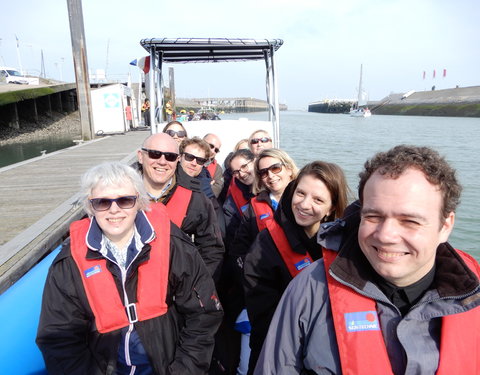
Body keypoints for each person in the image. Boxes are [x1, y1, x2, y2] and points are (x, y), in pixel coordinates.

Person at [255, 145, 480, 374]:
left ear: (445, 226)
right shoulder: (308, 291)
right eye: (373, 216)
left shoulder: (474, 298)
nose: (385, 235)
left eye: (410, 221)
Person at [36, 161, 223, 374]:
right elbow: (59, 337)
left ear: (139, 202)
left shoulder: (174, 246)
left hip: (166, 364)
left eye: (125, 200)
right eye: (102, 202)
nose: (114, 210)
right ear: (90, 206)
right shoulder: (69, 263)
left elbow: (203, 315)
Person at [244, 161, 349, 374]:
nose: (304, 204)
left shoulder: (345, 246)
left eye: (318, 199)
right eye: (300, 193)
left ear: (332, 207)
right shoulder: (266, 244)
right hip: (278, 348)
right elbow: (262, 315)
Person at [229, 148, 299, 375]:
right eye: (263, 172)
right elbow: (238, 251)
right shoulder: (253, 209)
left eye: (275, 168)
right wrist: (252, 284)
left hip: (302, 291)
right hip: (265, 295)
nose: (270, 175)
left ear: (289, 169)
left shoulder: (306, 202)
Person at [135, 133, 225, 282]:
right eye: (154, 154)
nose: (162, 161)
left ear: (177, 159)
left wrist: (195, 289)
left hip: (177, 291)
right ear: (140, 156)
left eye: (170, 156)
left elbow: (212, 250)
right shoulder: (118, 195)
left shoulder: (197, 199)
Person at [179, 136, 226, 237]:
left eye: (200, 160)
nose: (194, 163)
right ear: (179, 157)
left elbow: (216, 191)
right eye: (189, 157)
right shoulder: (169, 179)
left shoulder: (212, 172)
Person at [204, 133, 224, 198]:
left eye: (216, 150)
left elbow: (216, 191)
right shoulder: (189, 157)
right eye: (211, 146)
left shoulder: (218, 169)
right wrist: (207, 185)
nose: (212, 151)